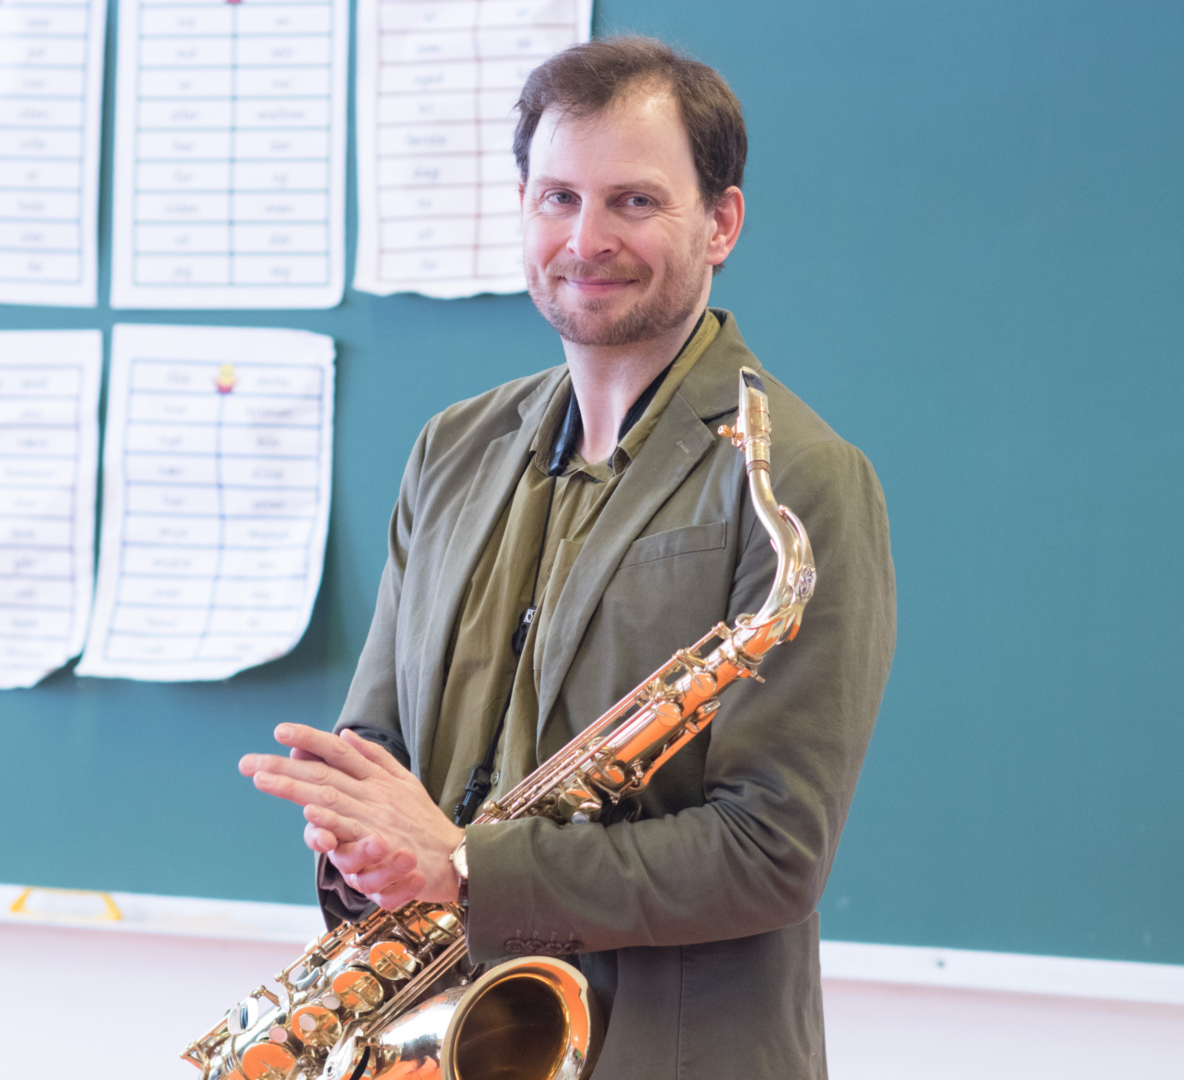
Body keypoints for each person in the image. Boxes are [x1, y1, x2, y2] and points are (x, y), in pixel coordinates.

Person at [239, 36, 896, 1078]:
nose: (586, 239)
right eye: (558, 198)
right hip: (436, 1041)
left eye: (634, 201)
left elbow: (775, 853)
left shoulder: (802, 483)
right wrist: (363, 842)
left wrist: (461, 864)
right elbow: (378, 745)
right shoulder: (451, 449)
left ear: (720, 221)